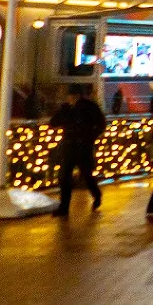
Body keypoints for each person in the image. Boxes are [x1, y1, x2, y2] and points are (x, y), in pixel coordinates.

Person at [51, 84, 106, 216]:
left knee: (83, 175)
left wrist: (90, 136)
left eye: (70, 95)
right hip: (72, 146)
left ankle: (95, 195)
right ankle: (65, 206)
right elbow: (54, 122)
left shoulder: (88, 107)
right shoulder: (68, 108)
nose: (69, 98)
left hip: (80, 146)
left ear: (75, 95)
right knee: (67, 176)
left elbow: (101, 124)